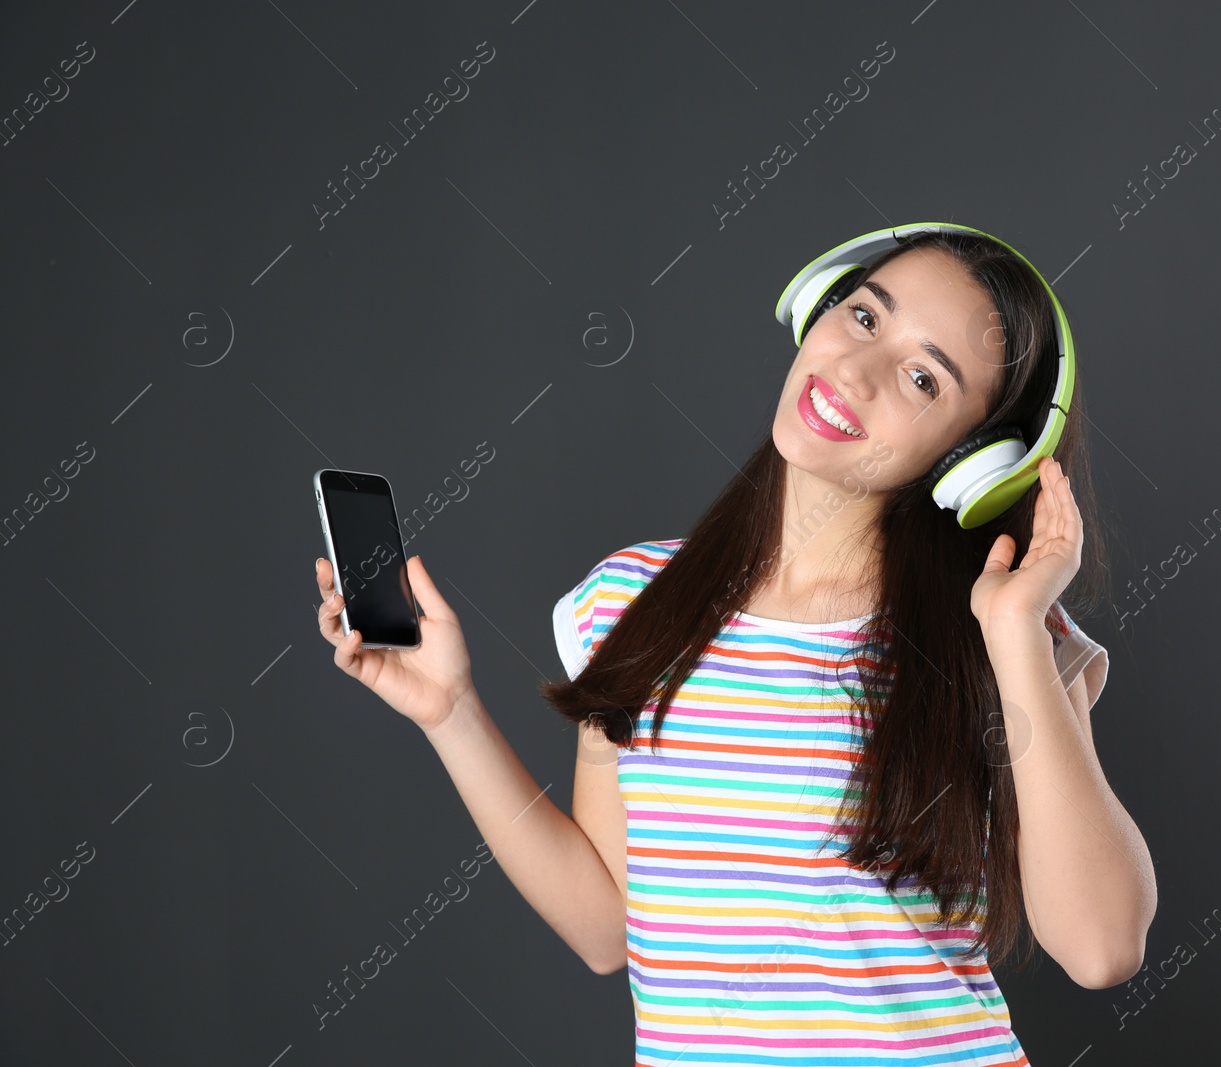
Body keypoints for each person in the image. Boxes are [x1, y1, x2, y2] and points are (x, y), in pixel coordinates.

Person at [314, 225, 1157, 1065]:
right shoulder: (630, 601)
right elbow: (609, 925)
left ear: (975, 459)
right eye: (864, 317)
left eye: (921, 376)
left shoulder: (1004, 633)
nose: (855, 372)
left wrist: (1013, 637)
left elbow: (1101, 947)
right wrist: (452, 711)